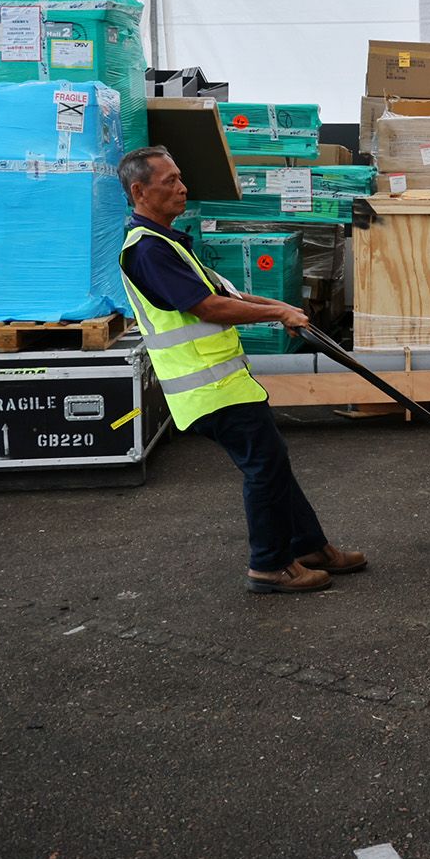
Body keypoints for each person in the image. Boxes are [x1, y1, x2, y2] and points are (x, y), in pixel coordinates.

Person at [116, 145, 367, 595]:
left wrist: (282, 307)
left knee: (273, 463)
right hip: (207, 388)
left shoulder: (170, 242)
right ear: (139, 191)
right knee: (265, 467)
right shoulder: (147, 250)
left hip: (224, 381)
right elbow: (207, 306)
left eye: (180, 177)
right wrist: (277, 316)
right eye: (169, 181)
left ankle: (310, 546)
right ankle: (269, 566)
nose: (182, 186)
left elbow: (226, 291)